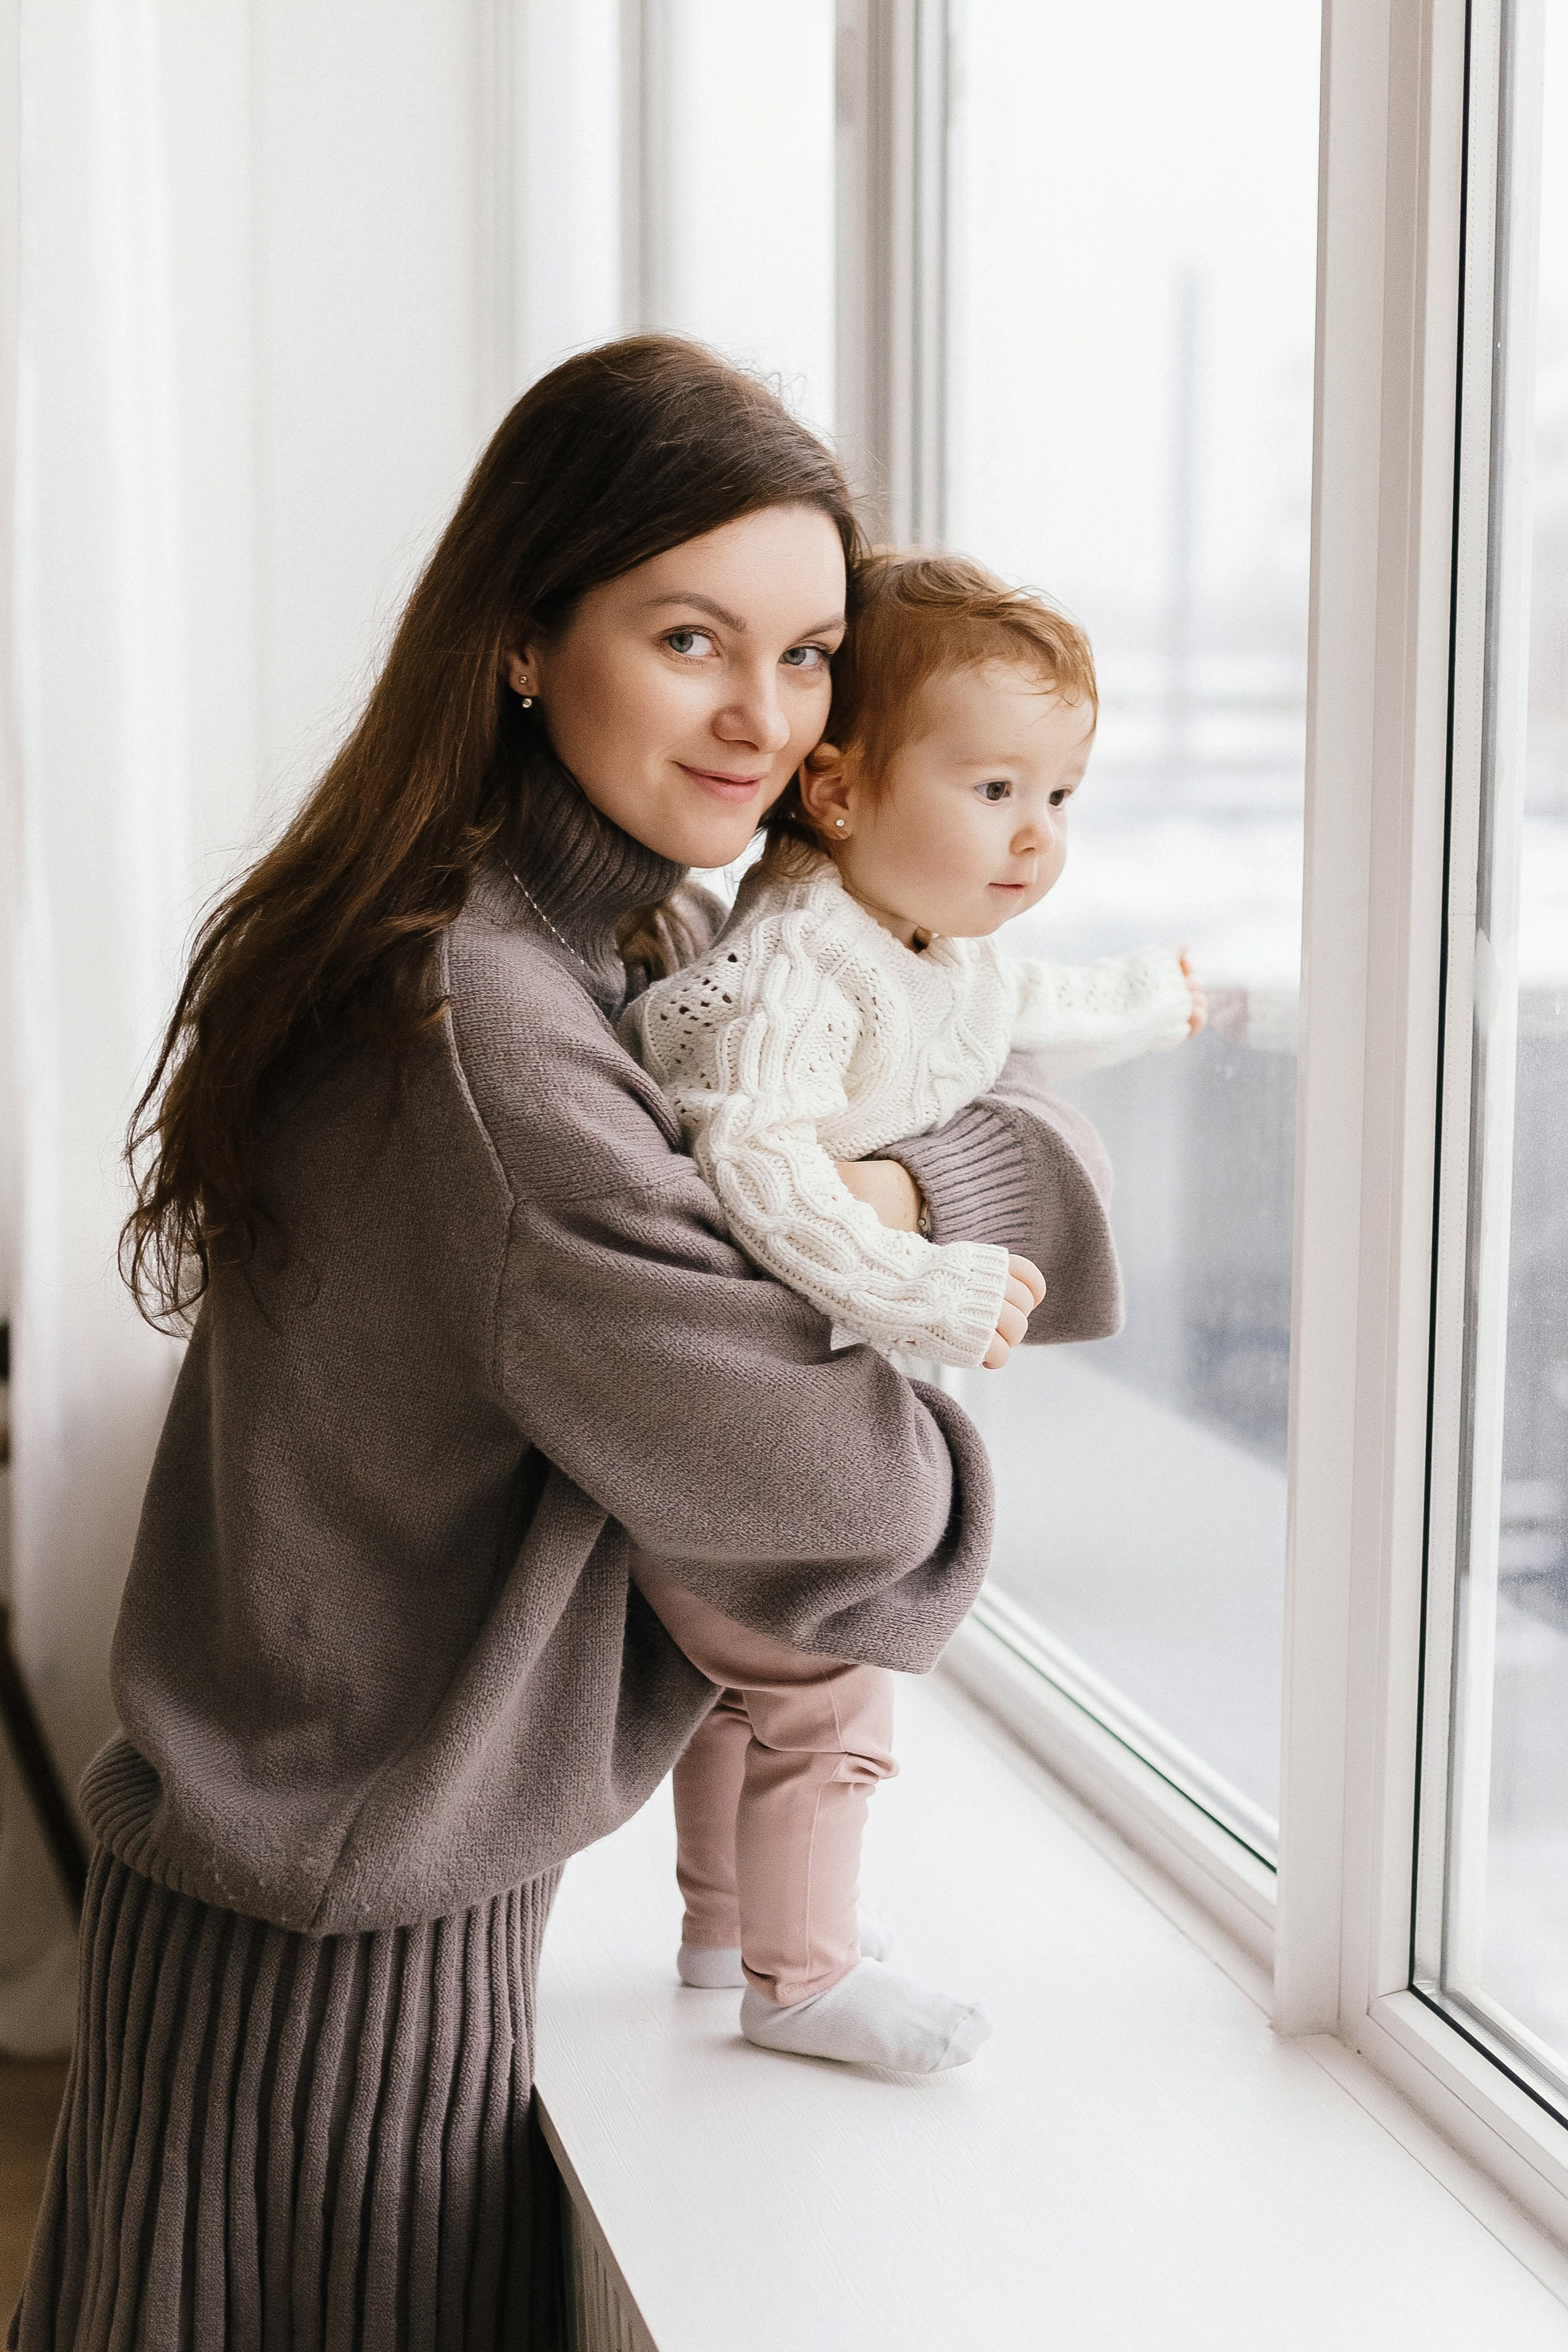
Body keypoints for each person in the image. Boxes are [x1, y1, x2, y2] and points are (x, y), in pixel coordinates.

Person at [12, 339, 1125, 2352]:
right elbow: (857, 1506)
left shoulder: (623, 947)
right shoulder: (498, 1035)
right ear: (524, 639)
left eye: (810, 659)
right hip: (325, 1998)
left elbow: (1014, 1118)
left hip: (326, 1926)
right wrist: (914, 1253)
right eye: (693, 639)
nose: (764, 717)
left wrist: (899, 1182)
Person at [622, 549, 1205, 2071]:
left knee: (737, 1693)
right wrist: (927, 1281)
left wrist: (1153, 998)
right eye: (994, 789)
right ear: (836, 791)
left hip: (747, 1415)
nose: (1035, 835)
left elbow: (1018, 1005)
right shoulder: (798, 971)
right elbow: (759, 1167)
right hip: (710, 1414)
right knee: (827, 1693)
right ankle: (800, 1981)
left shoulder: (918, 935)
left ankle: (724, 1933)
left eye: (1059, 796)